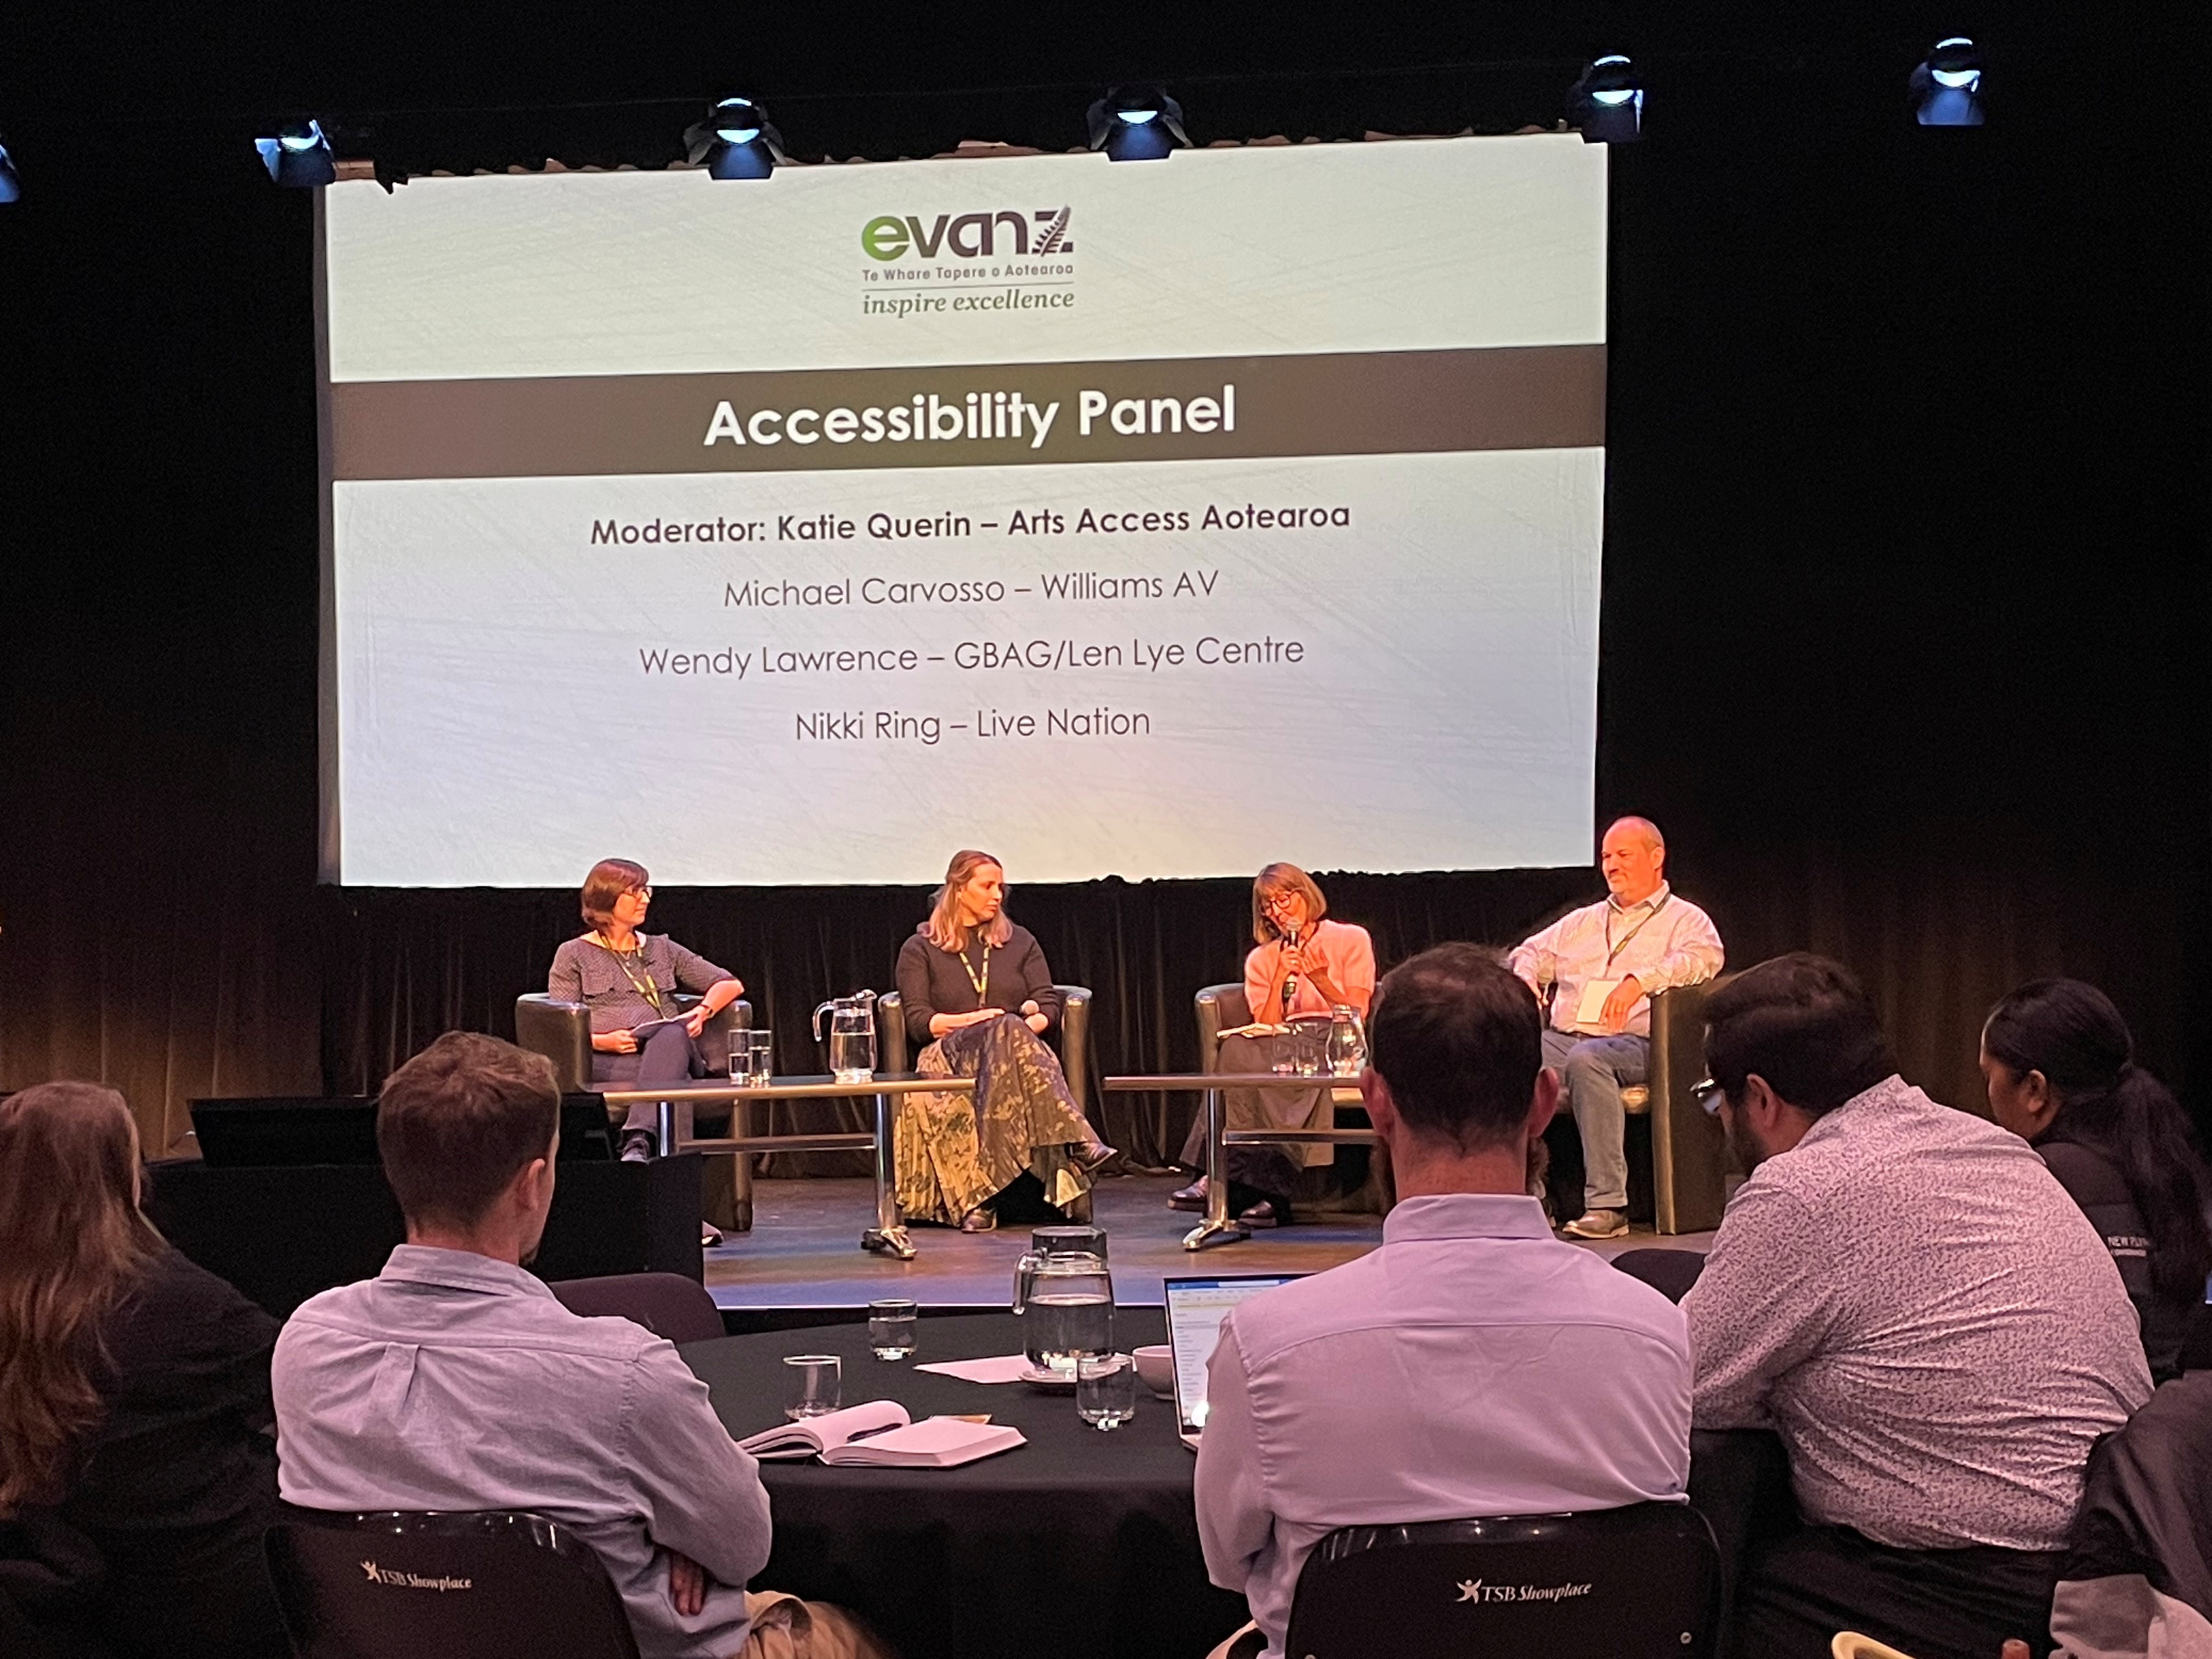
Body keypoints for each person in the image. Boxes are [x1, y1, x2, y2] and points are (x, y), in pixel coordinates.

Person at [272, 1032, 885, 1659]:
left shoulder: (307, 1344)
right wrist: (668, 1538)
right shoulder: (623, 1373)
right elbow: (745, 1546)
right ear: (533, 1184)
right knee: (853, 1632)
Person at [1194, 944, 1691, 1659]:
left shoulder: (1269, 1345)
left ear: (1375, 1102)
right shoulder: (1656, 1331)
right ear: (1546, 1103)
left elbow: (1227, 1565)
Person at [1683, 953, 2153, 1659]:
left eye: (1718, 1104)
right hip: (2111, 1553)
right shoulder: (1991, 1146)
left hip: (1965, 1584)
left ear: (1760, 1098)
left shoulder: (1800, 1193)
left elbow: (1682, 1391)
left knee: (1720, 1545)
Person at [0, 1082, 289, 1659]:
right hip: (190, 1612)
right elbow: (303, 1383)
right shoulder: (183, 1304)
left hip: (38, 1610)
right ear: (124, 1177)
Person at [1980, 978, 2212, 1383]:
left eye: (1990, 1075)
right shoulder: (2171, 1160)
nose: (1987, 1093)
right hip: (2179, 1423)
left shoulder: (2040, 1179)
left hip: (2105, 1427)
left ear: (2034, 1089)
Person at [1508, 815, 1723, 1239]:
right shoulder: (1582, 922)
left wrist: (1637, 982)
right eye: (1606, 856)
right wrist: (1526, 978)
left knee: (1589, 1060)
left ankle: (1608, 1206)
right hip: (1567, 1037)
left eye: (1623, 854)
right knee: (1508, 1050)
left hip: (1639, 1045)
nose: (1611, 865)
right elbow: (1529, 951)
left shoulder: (1686, 920)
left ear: (1656, 858)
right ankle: (1528, 1193)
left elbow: (1703, 961)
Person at [894, 849, 1114, 1230]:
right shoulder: (920, 948)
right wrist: (977, 1021)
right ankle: (1079, 1141)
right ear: (959, 889)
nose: (998, 895)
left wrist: (1030, 1023)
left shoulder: (1019, 941)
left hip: (1012, 1054)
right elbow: (919, 1021)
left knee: (1009, 1031)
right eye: (987, 886)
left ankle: (986, 1201)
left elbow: (1048, 1002)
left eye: (1001, 887)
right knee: (1004, 1026)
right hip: (948, 1054)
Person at [1171, 863, 1377, 1226]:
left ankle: (1224, 1182)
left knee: (1262, 1063)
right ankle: (1260, 1193)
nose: (1278, 911)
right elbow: (1265, 1025)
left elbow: (1357, 1013)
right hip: (1282, 1039)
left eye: (1285, 899)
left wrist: (1320, 980)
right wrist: (1282, 973)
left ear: (1306, 895)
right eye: (1268, 905)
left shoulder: (1351, 939)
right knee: (1237, 1049)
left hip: (1335, 1038)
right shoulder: (1263, 958)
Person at [548, 857, 744, 1163]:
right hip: (609, 1061)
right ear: (608, 899)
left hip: (673, 1049)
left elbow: (729, 984)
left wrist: (703, 1011)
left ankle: (637, 1137)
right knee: (672, 1079)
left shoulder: (662, 948)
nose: (646, 899)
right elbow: (561, 1023)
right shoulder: (573, 954)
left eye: (646, 890)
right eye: (635, 892)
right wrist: (601, 1041)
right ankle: (672, 1182)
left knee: (670, 1033)